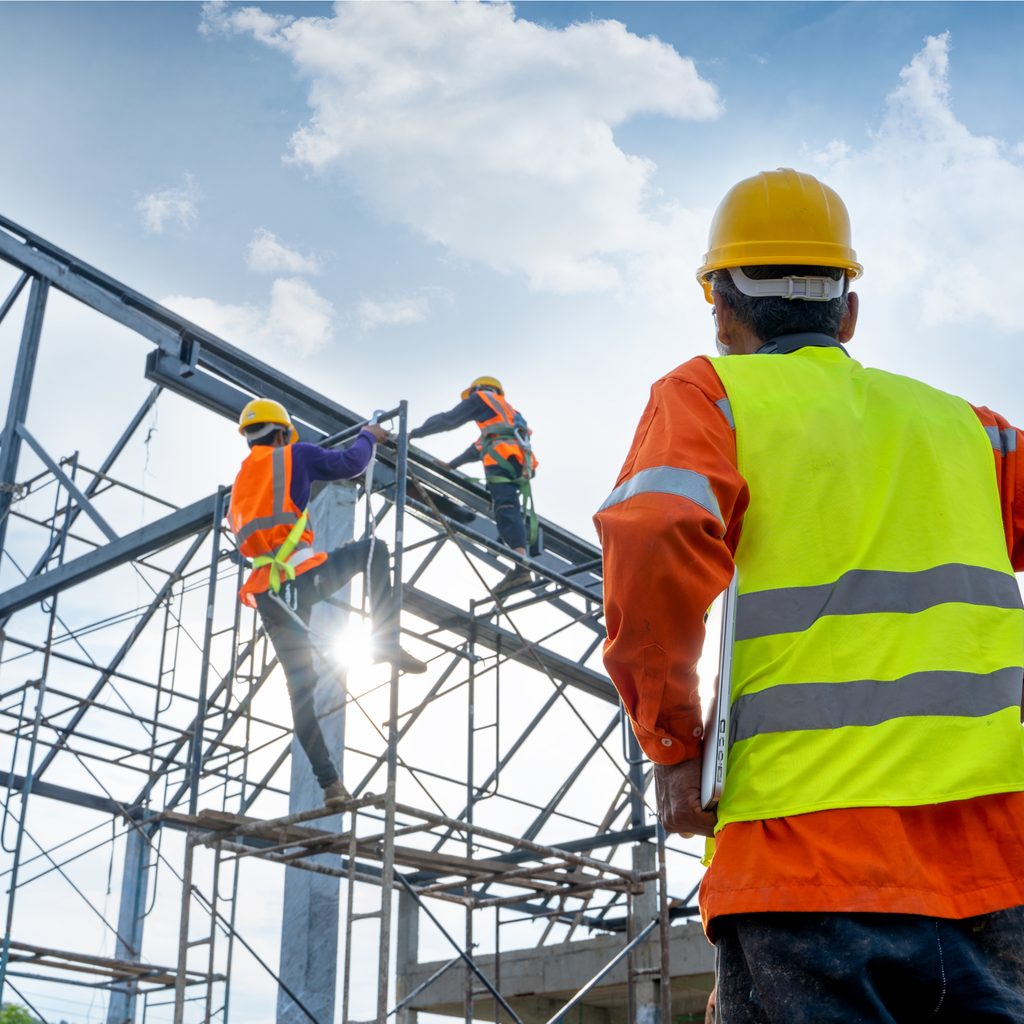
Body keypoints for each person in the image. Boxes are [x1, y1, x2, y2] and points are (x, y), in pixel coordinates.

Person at [595, 169, 1024, 1022]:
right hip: (993, 875)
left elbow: (653, 535)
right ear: (849, 311)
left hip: (803, 865)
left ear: (720, 304)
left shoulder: (709, 396)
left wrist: (674, 743)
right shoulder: (969, 429)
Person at [228, 398, 426, 804]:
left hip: (268, 591)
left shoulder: (242, 480)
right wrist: (368, 437)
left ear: (249, 437)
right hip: (300, 573)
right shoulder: (294, 455)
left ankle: (331, 786)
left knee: (300, 690)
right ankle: (385, 640)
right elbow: (350, 465)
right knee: (374, 549)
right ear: (282, 433)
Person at [410, 377, 538, 595]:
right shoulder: (508, 414)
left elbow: (448, 420)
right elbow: (478, 447)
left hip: (502, 460)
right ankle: (520, 563)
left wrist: (414, 433)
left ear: (478, 390)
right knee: (507, 505)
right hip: (517, 462)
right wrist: (452, 465)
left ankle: (521, 563)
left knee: (505, 507)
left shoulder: (481, 398)